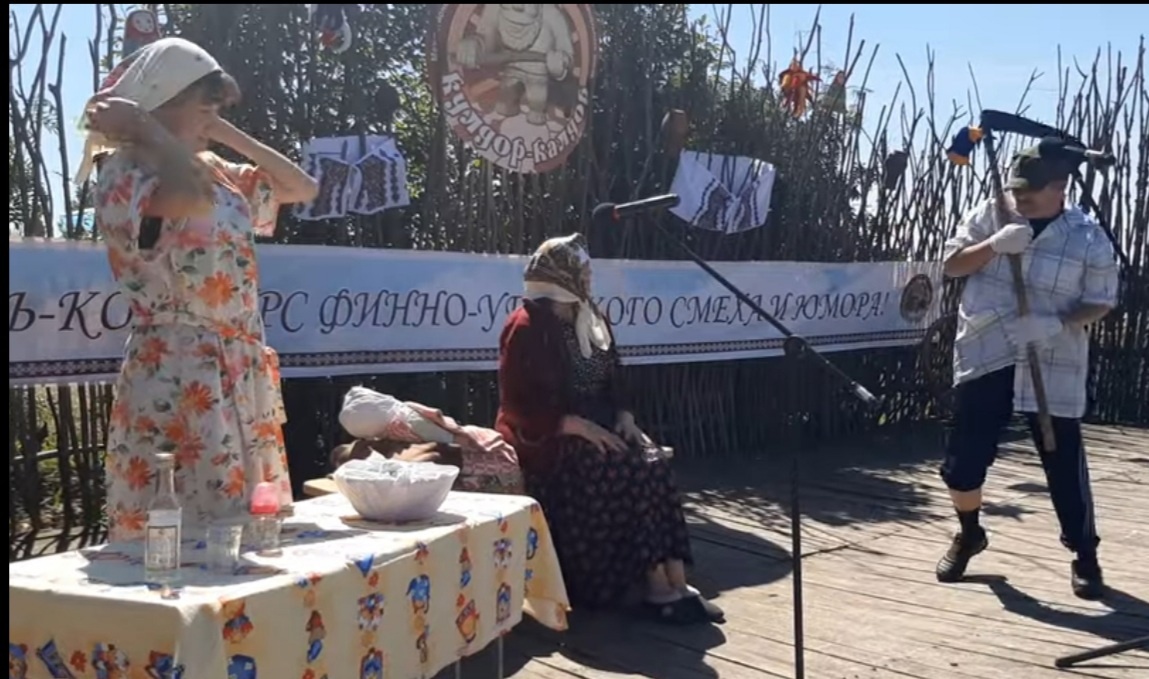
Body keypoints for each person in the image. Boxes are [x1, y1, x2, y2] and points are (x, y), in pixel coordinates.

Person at [82, 38, 319, 541]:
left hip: (237, 364)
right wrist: (147, 129)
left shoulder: (212, 168)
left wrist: (220, 130)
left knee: (248, 530)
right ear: (160, 101)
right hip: (178, 368)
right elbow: (187, 197)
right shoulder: (125, 172)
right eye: (203, 104)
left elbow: (300, 187)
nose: (212, 115)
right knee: (182, 526)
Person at [494, 233, 723, 624]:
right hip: (549, 434)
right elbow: (516, 405)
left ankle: (676, 580)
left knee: (653, 462)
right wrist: (570, 424)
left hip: (597, 420)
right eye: (582, 271)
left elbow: (614, 374)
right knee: (616, 466)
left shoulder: (591, 316)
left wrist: (625, 416)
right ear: (561, 275)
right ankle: (652, 585)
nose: (588, 278)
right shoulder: (526, 326)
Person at [938, 143, 1119, 599]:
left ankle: (1084, 554)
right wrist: (992, 246)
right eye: (1016, 189)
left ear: (1059, 188)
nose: (1020, 199)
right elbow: (952, 265)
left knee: (1062, 460)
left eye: (1031, 192)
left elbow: (1101, 301)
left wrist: (1055, 323)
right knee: (962, 463)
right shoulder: (992, 213)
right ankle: (969, 534)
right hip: (986, 351)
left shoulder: (1088, 237)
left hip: (1052, 358)